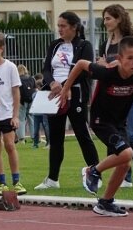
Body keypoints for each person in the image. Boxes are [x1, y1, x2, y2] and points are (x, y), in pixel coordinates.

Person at [59, 36, 133, 217]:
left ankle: (105, 203)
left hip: (119, 123)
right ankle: (92, 170)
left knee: (124, 163)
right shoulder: (107, 72)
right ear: (119, 59)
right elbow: (81, 63)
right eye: (130, 58)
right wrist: (66, 88)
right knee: (127, 153)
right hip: (100, 120)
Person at [35, 11, 99, 190]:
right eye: (59, 26)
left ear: (74, 27)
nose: (59, 29)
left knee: (82, 134)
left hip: (75, 94)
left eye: (63, 26)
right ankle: (52, 179)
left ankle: (96, 173)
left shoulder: (84, 46)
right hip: (54, 95)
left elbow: (84, 71)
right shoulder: (55, 45)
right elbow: (46, 68)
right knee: (55, 138)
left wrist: (64, 86)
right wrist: (52, 83)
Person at [98, 4, 133, 189]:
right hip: (111, 96)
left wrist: (110, 65)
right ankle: (124, 177)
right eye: (104, 19)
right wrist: (104, 65)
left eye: (108, 18)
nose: (105, 22)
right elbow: (101, 65)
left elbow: (132, 64)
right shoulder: (105, 43)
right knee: (115, 137)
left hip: (128, 93)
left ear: (118, 19)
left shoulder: (129, 40)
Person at [0, 32, 26, 196]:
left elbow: (16, 92)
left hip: (6, 113)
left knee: (10, 145)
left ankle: (17, 181)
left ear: (2, 49)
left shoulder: (10, 67)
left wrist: (15, 115)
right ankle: (2, 183)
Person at [16, 64, 35, 144]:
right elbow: (35, 88)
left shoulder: (18, 79)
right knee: (31, 119)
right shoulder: (31, 78)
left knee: (21, 120)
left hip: (21, 101)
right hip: (31, 100)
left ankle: (21, 139)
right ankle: (34, 137)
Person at [31, 74, 50, 148]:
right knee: (38, 129)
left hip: (42, 114)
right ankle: (36, 143)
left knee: (45, 129)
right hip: (36, 114)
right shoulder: (35, 94)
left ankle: (47, 143)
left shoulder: (43, 94)